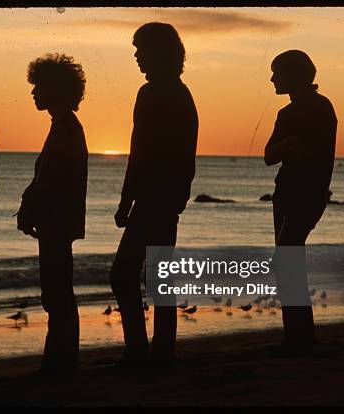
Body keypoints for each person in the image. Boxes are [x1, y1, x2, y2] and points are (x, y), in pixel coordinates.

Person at [110, 22, 198, 371]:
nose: (136, 56)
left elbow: (140, 151)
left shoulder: (154, 93)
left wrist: (125, 200)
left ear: (157, 52)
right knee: (156, 276)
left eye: (140, 49)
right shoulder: (180, 92)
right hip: (165, 197)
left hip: (153, 198)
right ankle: (159, 352)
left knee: (124, 275)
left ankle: (142, 352)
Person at [16, 53, 88, 376]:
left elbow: (52, 180)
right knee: (57, 292)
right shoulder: (63, 127)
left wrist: (29, 206)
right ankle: (59, 359)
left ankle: (61, 361)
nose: (33, 93)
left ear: (54, 89)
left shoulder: (66, 130)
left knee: (56, 293)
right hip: (56, 221)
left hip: (56, 222)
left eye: (39, 86)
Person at [264, 50, 337, 354]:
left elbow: (320, 158)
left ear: (294, 74)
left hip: (308, 195)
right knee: (288, 262)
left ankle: (299, 337)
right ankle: (297, 335)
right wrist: (288, 144)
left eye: (276, 73)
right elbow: (269, 155)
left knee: (286, 259)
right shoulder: (286, 113)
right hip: (285, 194)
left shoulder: (321, 108)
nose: (272, 79)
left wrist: (295, 147)